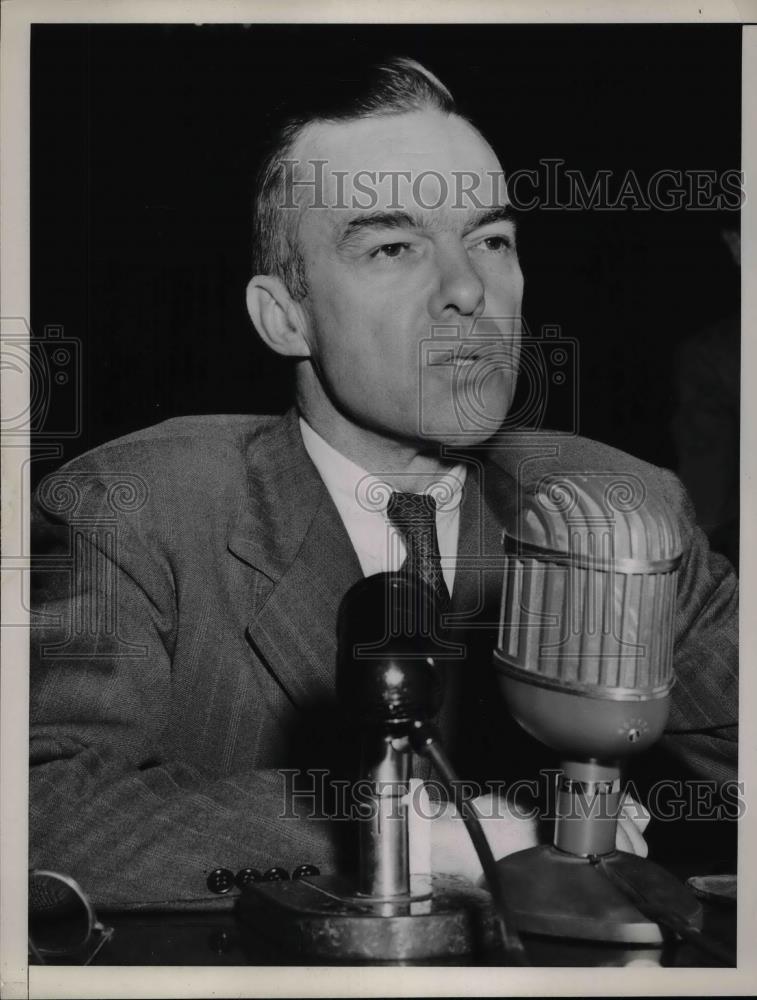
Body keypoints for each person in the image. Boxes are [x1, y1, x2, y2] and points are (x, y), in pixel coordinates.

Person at [30, 57, 738, 910]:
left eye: (490, 240)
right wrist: (412, 837)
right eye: (393, 247)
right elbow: (33, 813)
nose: (467, 290)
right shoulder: (138, 510)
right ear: (283, 316)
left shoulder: (613, 509)